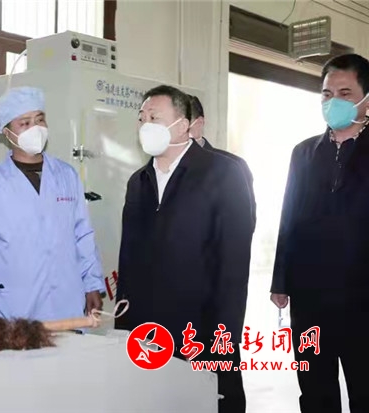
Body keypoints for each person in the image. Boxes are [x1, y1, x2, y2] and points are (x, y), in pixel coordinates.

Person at [114, 85, 253, 413]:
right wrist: (125, 327)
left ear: (184, 124)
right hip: (149, 329)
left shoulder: (223, 173)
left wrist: (225, 335)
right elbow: (128, 256)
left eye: (155, 118)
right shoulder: (139, 181)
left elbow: (234, 263)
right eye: (142, 118)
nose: (146, 125)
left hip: (203, 325)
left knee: (215, 402)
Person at [0, 86, 105, 321]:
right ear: (6, 132)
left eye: (40, 119)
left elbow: (82, 235)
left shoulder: (66, 175)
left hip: (67, 301)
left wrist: (92, 284)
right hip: (16, 306)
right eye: (24, 123)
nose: (35, 128)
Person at [270, 53, 369, 413]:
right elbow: (289, 218)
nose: (333, 101)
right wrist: (281, 280)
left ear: (366, 99)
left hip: (362, 299)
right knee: (315, 391)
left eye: (345, 93)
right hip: (310, 297)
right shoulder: (304, 153)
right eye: (327, 94)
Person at [188, 94, 257, 230]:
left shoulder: (233, 167)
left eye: (182, 123)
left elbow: (243, 226)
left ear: (199, 123)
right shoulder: (157, 169)